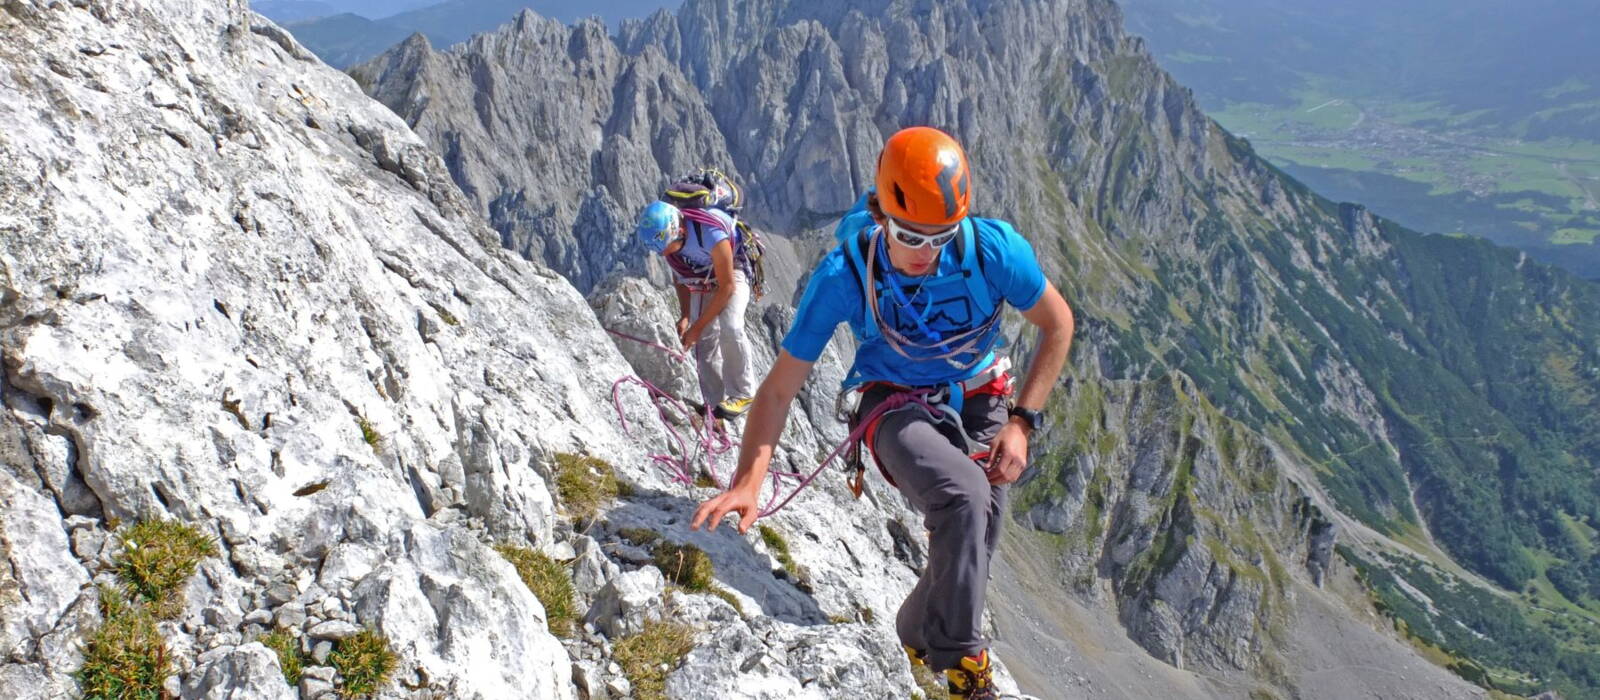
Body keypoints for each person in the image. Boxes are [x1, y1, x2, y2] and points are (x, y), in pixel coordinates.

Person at [691, 126, 1074, 699]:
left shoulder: (993, 251)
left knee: (978, 535)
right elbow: (776, 391)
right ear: (880, 215)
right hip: (893, 403)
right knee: (965, 498)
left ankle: (915, 631)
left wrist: (1022, 422)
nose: (926, 254)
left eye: (941, 237)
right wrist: (748, 482)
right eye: (908, 236)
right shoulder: (845, 275)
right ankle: (965, 670)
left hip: (983, 394)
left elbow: (1058, 324)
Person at [635, 174, 759, 419]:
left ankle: (744, 393)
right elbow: (680, 278)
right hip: (702, 276)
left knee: (731, 326)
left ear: (678, 230)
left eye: (664, 247)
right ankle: (714, 406)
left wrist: (696, 325)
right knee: (704, 341)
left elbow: (727, 288)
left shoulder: (711, 231)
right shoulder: (672, 247)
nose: (663, 255)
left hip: (733, 270)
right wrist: (684, 316)